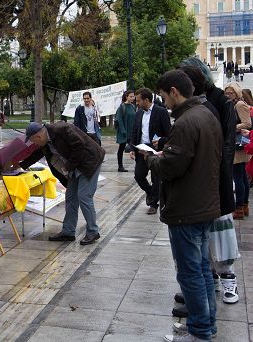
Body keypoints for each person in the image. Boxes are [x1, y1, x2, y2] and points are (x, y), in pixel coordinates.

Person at [145, 70, 221, 342]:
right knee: (201, 271)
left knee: (191, 274)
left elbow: (171, 167)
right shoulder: (206, 115)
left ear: (174, 92)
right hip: (203, 204)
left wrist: (151, 159)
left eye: (164, 97)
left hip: (187, 209)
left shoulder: (186, 122)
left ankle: (200, 332)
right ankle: (205, 326)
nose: (164, 103)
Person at [177, 57, 240, 309]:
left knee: (221, 233)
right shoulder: (199, 102)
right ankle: (207, 281)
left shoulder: (221, 102)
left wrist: (215, 174)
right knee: (202, 237)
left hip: (216, 179)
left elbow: (226, 143)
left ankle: (228, 279)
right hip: (202, 183)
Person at [19, 122, 105, 245]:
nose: (34, 144)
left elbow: (79, 145)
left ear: (38, 136)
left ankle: (93, 231)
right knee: (70, 197)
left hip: (89, 162)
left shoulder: (62, 129)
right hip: (75, 165)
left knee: (84, 196)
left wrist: (68, 167)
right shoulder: (45, 141)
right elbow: (37, 154)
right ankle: (68, 232)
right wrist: (21, 165)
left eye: (33, 141)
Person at [129, 88, 171, 215]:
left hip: (155, 150)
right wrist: (132, 148)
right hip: (141, 149)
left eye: (138, 100)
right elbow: (135, 131)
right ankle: (151, 192)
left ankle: (153, 204)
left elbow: (169, 133)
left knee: (156, 178)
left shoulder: (161, 112)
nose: (136, 103)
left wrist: (161, 142)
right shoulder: (139, 113)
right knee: (139, 175)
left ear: (146, 100)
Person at [224, 81, 252, 219]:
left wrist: (231, 127)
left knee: (238, 177)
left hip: (239, 144)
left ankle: (239, 207)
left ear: (237, 93)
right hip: (239, 143)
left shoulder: (239, 104)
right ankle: (244, 206)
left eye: (231, 92)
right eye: (227, 93)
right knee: (241, 177)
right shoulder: (234, 104)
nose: (228, 95)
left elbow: (247, 123)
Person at [115, 90, 136, 172]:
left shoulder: (133, 106)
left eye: (133, 96)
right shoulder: (122, 107)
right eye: (131, 96)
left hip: (132, 132)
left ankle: (138, 165)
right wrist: (123, 131)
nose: (132, 98)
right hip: (124, 132)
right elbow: (119, 120)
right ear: (126, 97)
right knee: (121, 148)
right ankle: (120, 166)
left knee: (135, 148)